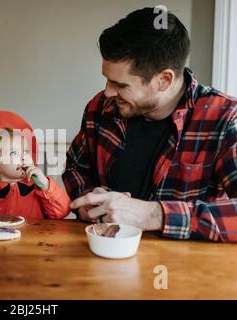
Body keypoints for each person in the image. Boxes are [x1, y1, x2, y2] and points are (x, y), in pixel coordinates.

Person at [63, 7, 237, 242]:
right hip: (103, 258)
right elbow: (76, 168)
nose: (107, 91)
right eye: (107, 79)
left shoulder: (225, 118)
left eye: (121, 85)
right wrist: (87, 201)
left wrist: (153, 214)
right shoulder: (100, 108)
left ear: (164, 80)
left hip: (188, 271)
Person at [0, 110, 71, 220]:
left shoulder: (39, 192)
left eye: (26, 151)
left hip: (36, 239)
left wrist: (46, 185)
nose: (23, 156)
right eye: (13, 153)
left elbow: (63, 211)